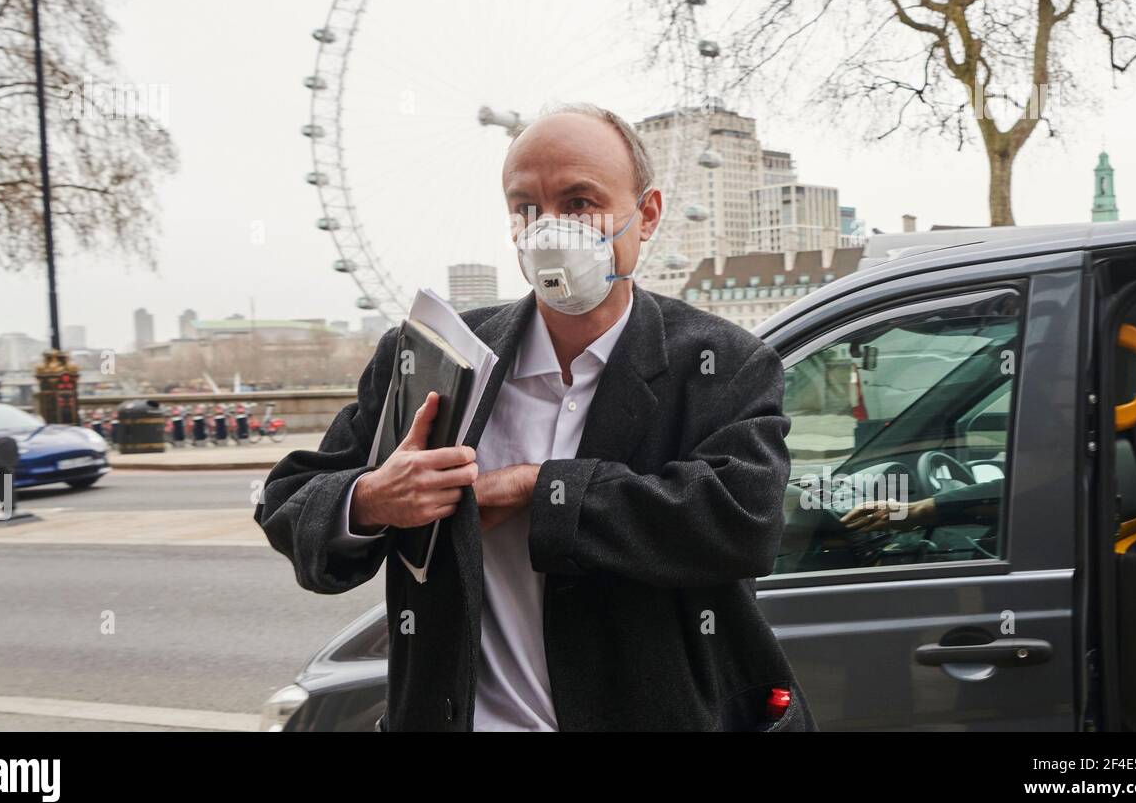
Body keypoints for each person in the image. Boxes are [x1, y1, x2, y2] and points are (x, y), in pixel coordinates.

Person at [254, 101, 816, 732]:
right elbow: (288, 500)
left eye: (579, 203)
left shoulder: (722, 362)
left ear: (648, 214)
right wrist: (370, 499)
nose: (550, 229)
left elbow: (740, 520)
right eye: (527, 207)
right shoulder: (430, 356)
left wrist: (538, 487)